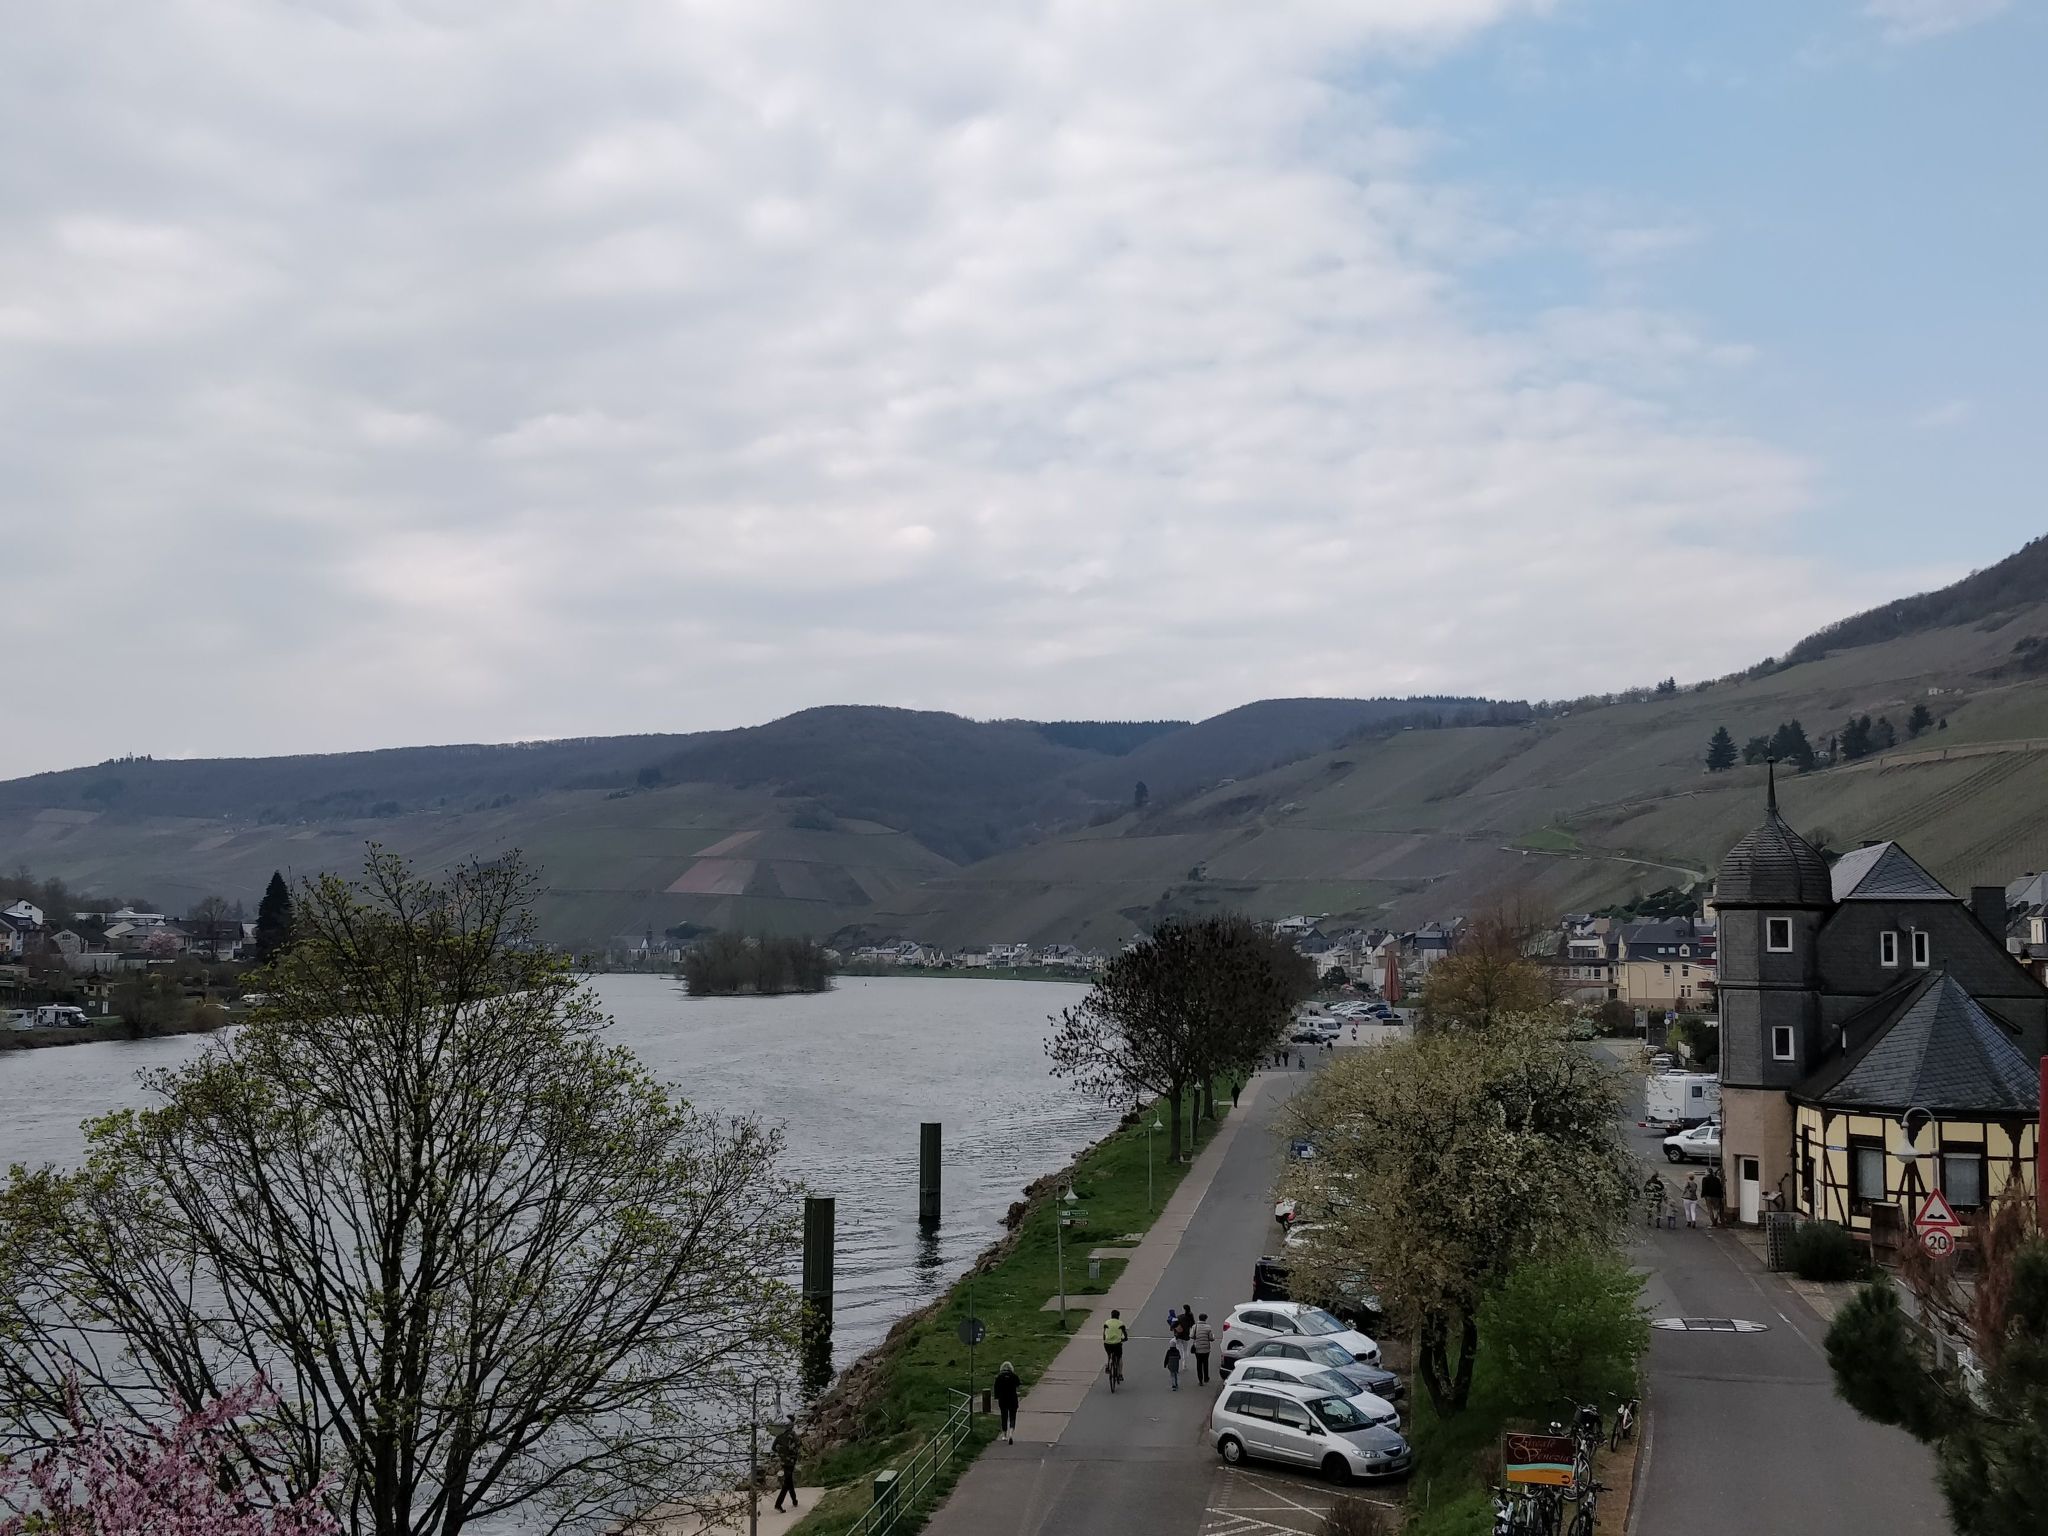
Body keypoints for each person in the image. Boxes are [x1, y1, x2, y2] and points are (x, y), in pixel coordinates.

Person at [771, 1421, 800, 1513]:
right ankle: (778, 1504)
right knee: (787, 1483)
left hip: (783, 1461)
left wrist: (781, 1452)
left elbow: (773, 1447)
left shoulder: (779, 1436)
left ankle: (794, 1500)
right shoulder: (793, 1435)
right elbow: (798, 1445)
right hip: (791, 1461)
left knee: (789, 1480)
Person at [993, 1360, 1022, 1443]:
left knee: (1004, 1416)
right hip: (1012, 1399)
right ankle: (1011, 1433)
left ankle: (1004, 1434)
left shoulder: (999, 1377)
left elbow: (996, 1389)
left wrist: (997, 1397)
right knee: (1012, 1416)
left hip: (1003, 1399)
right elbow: (1018, 1384)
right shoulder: (1014, 1376)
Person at [1102, 1309, 1128, 1383]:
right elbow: (1125, 1334)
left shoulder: (1106, 1322)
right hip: (1117, 1343)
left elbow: (1104, 1333)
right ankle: (1120, 1374)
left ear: (1111, 1316)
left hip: (1107, 1343)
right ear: (1118, 1316)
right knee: (1119, 1358)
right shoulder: (1121, 1323)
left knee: (1109, 1354)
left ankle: (1108, 1365)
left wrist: (1104, 1339)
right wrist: (1125, 1339)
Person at [1190, 1311, 1215, 1385]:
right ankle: (1206, 1378)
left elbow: (1191, 1336)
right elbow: (1211, 1338)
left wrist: (1196, 1337)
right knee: (1205, 1363)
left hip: (1197, 1348)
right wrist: (1213, 1337)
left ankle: (1200, 1380)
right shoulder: (1208, 1327)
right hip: (1206, 1349)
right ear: (1205, 1319)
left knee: (1199, 1364)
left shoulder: (1195, 1326)